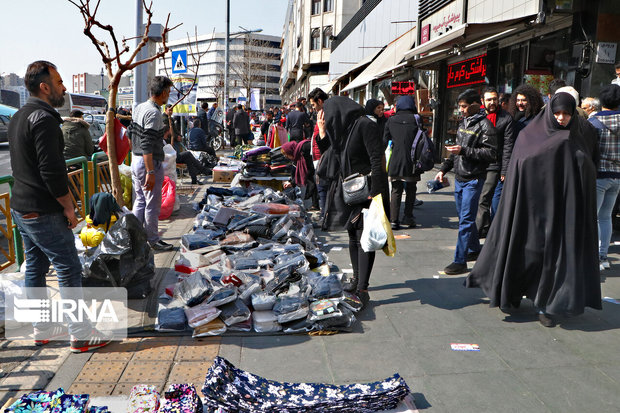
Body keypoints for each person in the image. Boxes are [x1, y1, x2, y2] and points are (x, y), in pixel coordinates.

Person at [466, 92, 601, 327]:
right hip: (530, 209)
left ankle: (544, 304)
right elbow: (522, 164)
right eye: (557, 113)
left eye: (567, 114)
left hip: (564, 211)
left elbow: (590, 166)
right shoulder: (529, 135)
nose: (561, 118)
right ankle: (513, 293)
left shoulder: (581, 135)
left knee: (554, 259)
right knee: (526, 252)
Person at [9, 61, 111, 352]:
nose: (64, 88)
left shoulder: (19, 116)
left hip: (22, 207)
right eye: (59, 82)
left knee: (35, 268)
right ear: (45, 87)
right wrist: (69, 207)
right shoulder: (44, 119)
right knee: (67, 266)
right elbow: (52, 172)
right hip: (43, 210)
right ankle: (80, 334)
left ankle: (41, 328)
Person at [434, 89, 497, 275]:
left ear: (474, 105)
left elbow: (491, 154)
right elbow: (455, 151)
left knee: (466, 221)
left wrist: (464, 151)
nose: (460, 110)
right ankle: (474, 249)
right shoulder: (464, 122)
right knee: (464, 219)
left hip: (474, 178)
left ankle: (459, 261)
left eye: (463, 106)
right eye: (460, 106)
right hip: (460, 177)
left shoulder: (485, 126)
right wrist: (444, 169)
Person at [341, 98, 389, 303]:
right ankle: (357, 279)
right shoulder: (353, 126)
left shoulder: (366, 125)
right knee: (353, 235)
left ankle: (363, 288)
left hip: (365, 191)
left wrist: (375, 191)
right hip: (353, 190)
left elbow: (377, 158)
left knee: (364, 238)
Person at [129, 75, 174, 251]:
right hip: (148, 162)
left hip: (136, 159)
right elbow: (147, 144)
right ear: (162, 93)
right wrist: (150, 171)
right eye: (168, 92)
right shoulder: (153, 113)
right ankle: (153, 240)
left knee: (140, 200)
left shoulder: (140, 107)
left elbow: (130, 134)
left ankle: (135, 238)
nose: (169, 96)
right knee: (152, 204)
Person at [475, 87, 514, 238]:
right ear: (482, 101)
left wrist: (504, 170)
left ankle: (481, 231)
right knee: (479, 198)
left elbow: (508, 146)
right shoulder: (477, 116)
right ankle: (485, 227)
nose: (492, 102)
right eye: (489, 99)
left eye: (494, 99)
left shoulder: (505, 118)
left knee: (484, 199)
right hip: (477, 162)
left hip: (493, 164)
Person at [589, 84, 620, 271]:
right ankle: (603, 256)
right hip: (617, 175)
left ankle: (595, 257)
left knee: (593, 217)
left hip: (599, 174)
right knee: (606, 216)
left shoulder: (594, 121)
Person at [383, 95, 420, 230]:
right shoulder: (416, 119)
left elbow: (384, 140)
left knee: (396, 189)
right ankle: (408, 217)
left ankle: (394, 220)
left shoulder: (391, 120)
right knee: (411, 189)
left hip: (396, 160)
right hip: (412, 160)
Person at [163, 106, 212, 185]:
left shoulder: (170, 119)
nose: (171, 111)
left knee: (188, 158)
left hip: (173, 151)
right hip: (170, 156)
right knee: (188, 154)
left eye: (172, 110)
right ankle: (202, 170)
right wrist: (175, 137)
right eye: (170, 110)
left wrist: (178, 135)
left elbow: (174, 130)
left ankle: (194, 179)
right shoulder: (164, 139)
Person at [308, 88, 330, 222]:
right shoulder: (321, 113)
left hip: (323, 157)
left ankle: (324, 216)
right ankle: (325, 215)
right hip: (319, 156)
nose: (313, 108)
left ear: (320, 101)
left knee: (322, 187)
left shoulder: (325, 115)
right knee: (321, 187)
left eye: (313, 104)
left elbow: (324, 138)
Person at [281, 139, 315, 205]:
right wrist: (292, 183)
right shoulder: (298, 154)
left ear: (290, 151)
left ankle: (314, 204)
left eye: (287, 155)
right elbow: (297, 172)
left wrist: (292, 183)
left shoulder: (304, 149)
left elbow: (306, 172)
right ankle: (314, 205)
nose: (287, 157)